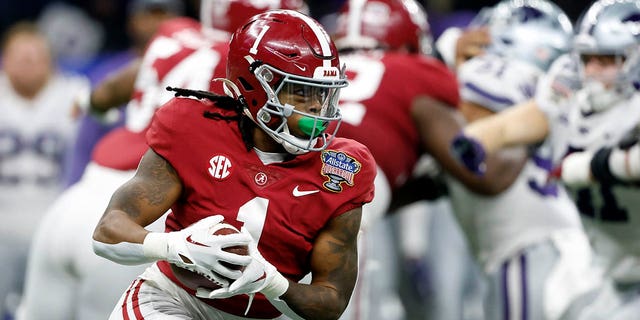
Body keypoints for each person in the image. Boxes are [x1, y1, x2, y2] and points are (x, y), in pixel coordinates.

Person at [18, 1, 307, 319]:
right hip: (145, 216)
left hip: (76, 203)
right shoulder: (248, 70)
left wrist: (93, 102)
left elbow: (121, 83)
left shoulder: (175, 33)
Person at [92, 9, 374, 319]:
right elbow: (108, 232)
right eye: (301, 91)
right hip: (172, 301)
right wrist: (177, 246)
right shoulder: (193, 127)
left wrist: (274, 282)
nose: (318, 107)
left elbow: (331, 303)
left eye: (324, 92)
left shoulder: (342, 168)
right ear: (253, 86)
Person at [329, 0, 528, 318]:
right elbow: (488, 174)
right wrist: (534, 124)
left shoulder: (316, 73)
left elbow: (359, 189)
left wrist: (427, 186)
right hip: (337, 224)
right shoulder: (417, 74)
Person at [451, 0, 640, 318]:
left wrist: (602, 166)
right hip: (608, 269)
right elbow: (540, 115)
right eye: (588, 58)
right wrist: (482, 136)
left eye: (608, 59)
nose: (592, 70)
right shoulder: (571, 86)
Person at [0, 21, 90, 319]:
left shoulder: (77, 95)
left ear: (51, 61)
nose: (27, 64)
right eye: (19, 57)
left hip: (54, 223)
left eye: (35, 57)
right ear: (5, 60)